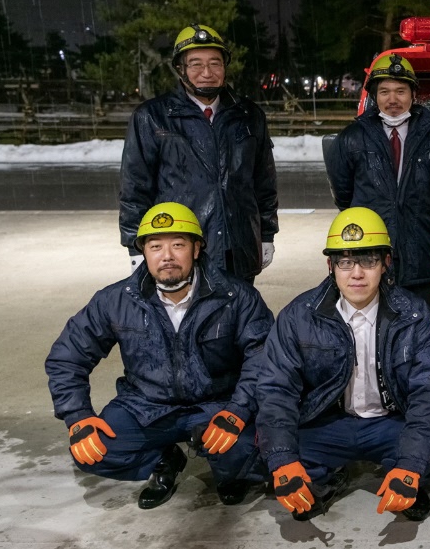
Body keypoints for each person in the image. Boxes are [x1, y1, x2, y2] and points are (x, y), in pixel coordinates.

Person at [46, 202, 274, 509]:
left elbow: (263, 356)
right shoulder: (115, 300)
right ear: (144, 252)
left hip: (217, 403)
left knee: (255, 447)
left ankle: (233, 473)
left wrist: (238, 410)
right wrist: (77, 416)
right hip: (146, 406)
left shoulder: (236, 297)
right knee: (92, 451)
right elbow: (67, 356)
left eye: (178, 245)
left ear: (196, 249)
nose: (166, 256)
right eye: (155, 246)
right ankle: (164, 459)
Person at [254, 207, 430, 522]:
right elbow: (275, 388)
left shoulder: (414, 316)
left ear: (385, 263)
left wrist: (410, 466)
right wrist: (283, 461)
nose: (357, 273)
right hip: (329, 423)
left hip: (389, 423)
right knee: (278, 453)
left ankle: (400, 470)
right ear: (330, 266)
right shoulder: (299, 316)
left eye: (368, 260)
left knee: (422, 455)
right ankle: (326, 474)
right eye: (345, 261)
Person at [119, 24, 279, 283]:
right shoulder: (151, 117)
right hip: (181, 244)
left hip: (238, 245)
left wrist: (267, 234)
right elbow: (135, 188)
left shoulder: (248, 115)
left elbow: (264, 183)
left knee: (241, 316)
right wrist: (135, 246)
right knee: (188, 319)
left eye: (215, 63)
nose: (207, 72)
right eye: (195, 64)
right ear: (180, 69)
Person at [325, 53, 430, 305]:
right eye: (384, 92)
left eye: (400, 91)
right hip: (369, 255)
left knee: (416, 328)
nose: (392, 100)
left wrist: (411, 213)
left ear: (413, 95)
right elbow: (344, 196)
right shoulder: (352, 138)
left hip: (419, 254)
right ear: (374, 96)